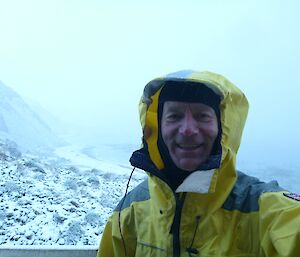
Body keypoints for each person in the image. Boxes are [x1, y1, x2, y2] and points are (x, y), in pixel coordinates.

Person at [98, 70, 300, 257]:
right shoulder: (129, 211)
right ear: (157, 128)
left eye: (202, 116)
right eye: (174, 116)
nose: (187, 129)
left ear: (224, 129)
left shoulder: (263, 208)